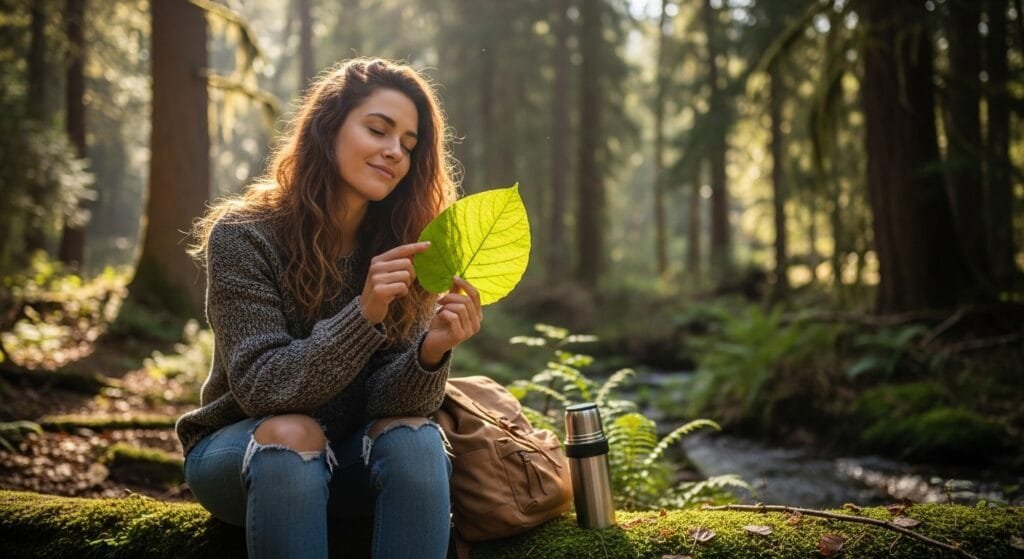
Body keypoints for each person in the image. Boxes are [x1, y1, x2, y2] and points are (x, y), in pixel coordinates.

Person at [175, 58, 482, 559]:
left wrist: (432, 351)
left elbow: (392, 405)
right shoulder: (243, 235)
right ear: (328, 126)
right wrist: (363, 314)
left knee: (417, 439)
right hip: (246, 455)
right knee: (294, 433)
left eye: (408, 144)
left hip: (353, 459)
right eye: (378, 130)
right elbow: (263, 388)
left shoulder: (402, 245)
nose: (394, 153)